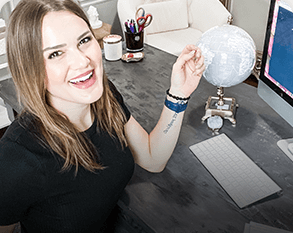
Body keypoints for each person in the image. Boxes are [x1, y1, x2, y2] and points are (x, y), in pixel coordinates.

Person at [0, 0, 205, 232]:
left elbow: (153, 158)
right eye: (56, 53)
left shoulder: (104, 97)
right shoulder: (17, 157)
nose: (82, 62)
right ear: (30, 68)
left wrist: (179, 93)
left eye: (84, 40)